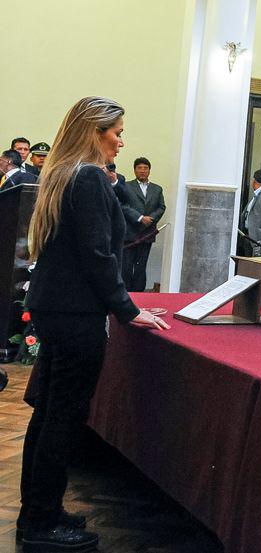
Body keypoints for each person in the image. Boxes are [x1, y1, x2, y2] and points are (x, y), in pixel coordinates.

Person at [19, 96, 169, 552]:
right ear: (94, 131)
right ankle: (41, 524)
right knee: (62, 417)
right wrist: (127, 309)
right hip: (75, 312)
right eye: (116, 131)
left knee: (48, 413)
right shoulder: (88, 177)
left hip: (57, 307)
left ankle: (39, 510)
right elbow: (99, 255)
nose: (122, 140)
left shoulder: (65, 173)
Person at [119, 157, 166, 292]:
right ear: (134, 170)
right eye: (139, 168)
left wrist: (151, 218)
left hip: (147, 233)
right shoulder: (126, 186)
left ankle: (140, 294)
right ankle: (126, 294)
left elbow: (161, 207)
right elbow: (122, 205)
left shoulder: (157, 189)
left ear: (149, 170)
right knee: (126, 266)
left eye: (145, 168)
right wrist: (139, 218)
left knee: (141, 266)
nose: (142, 171)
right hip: (129, 233)